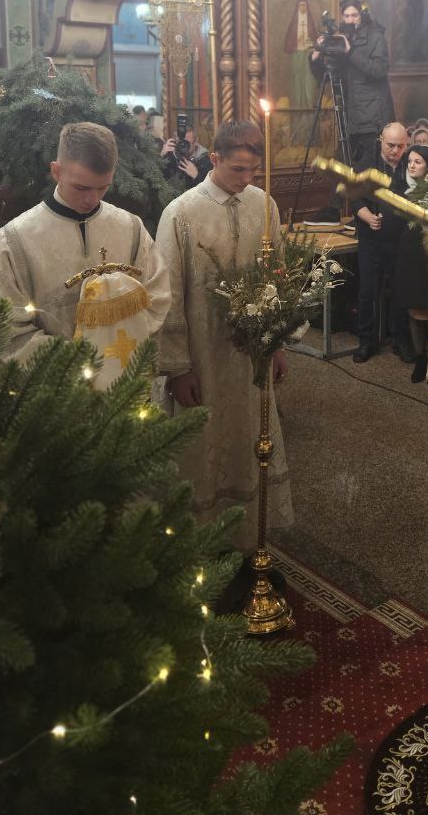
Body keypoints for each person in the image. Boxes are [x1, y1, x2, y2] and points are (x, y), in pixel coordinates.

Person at [154, 121, 292, 555]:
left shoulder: (264, 205)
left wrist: (278, 342)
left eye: (253, 170)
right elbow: (166, 295)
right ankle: (200, 550)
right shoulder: (181, 213)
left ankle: (247, 540)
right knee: (204, 448)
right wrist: (177, 367)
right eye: (237, 169)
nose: (247, 179)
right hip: (203, 354)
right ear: (214, 159)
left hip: (250, 356)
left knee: (251, 439)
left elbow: (276, 278)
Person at [0, 122, 170, 379]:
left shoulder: (131, 228)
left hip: (124, 381)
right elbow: (6, 332)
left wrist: (119, 349)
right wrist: (83, 360)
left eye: (103, 187)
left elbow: (157, 297)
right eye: (81, 188)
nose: (92, 199)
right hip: (54, 387)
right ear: (56, 171)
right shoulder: (13, 241)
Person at [351, 122, 413, 364]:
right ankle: (366, 341)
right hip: (371, 238)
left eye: (401, 146)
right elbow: (354, 197)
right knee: (367, 291)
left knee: (400, 291)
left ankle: (400, 339)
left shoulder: (410, 164)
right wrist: (367, 216)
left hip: (400, 238)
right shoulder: (366, 163)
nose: (395, 151)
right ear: (381, 140)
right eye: (390, 145)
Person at [309, 0, 394, 165]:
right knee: (350, 166)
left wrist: (350, 51)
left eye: (354, 15)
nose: (350, 20)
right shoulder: (340, 37)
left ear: (362, 15)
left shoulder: (375, 35)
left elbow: (379, 70)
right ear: (342, 17)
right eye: (346, 16)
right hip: (351, 115)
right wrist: (316, 55)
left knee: (371, 166)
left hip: (373, 117)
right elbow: (327, 75)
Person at [394, 143, 428, 385]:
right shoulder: (402, 187)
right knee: (414, 306)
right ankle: (420, 357)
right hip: (410, 253)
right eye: (410, 161)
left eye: (418, 162)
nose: (411, 166)